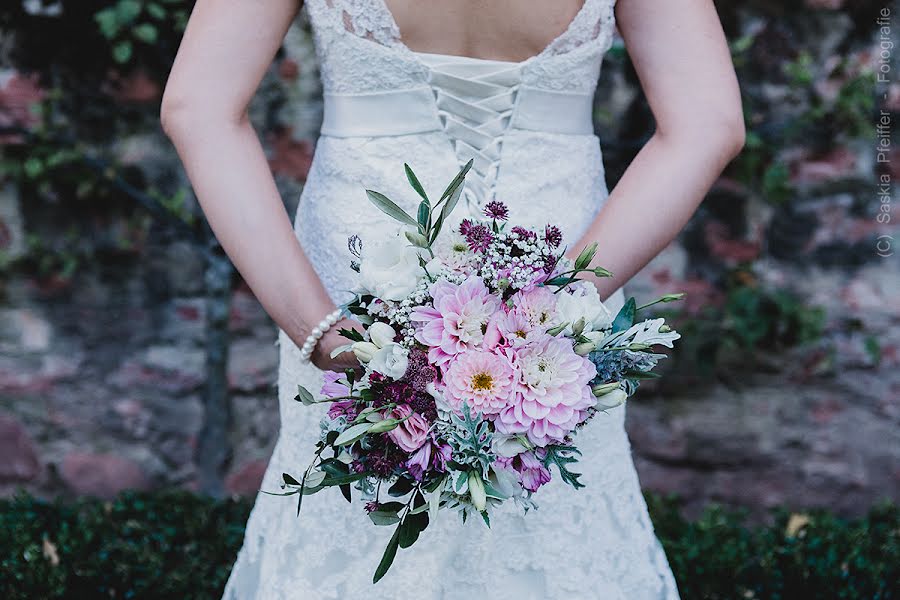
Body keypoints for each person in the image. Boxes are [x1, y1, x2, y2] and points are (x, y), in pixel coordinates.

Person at [160, 1, 744, 598]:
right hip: (556, 266)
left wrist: (318, 332)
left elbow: (199, 106)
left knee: (356, 516)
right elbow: (707, 124)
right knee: (550, 507)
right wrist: (553, 313)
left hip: (359, 279)